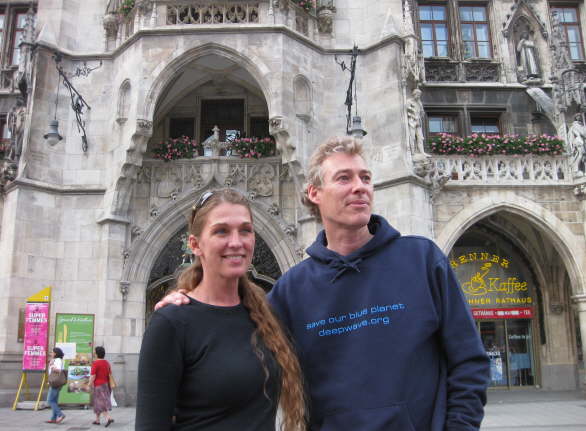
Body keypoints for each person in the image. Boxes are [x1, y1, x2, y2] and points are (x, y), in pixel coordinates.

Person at [158, 138, 490, 430]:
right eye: (344, 178)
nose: (359, 187)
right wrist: (189, 304)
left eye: (366, 178)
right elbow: (230, 334)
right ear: (314, 193)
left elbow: (469, 360)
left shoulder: (422, 259)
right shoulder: (292, 290)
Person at [136, 188, 306, 430]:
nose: (236, 242)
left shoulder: (267, 314)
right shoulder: (171, 322)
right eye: (221, 231)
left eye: (245, 230)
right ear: (195, 244)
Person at [90, 346, 114, 427]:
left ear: (96, 354)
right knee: (97, 402)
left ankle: (108, 418)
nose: (94, 353)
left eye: (94, 352)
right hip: (106, 385)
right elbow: (109, 374)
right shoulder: (107, 363)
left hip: (98, 386)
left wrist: (88, 384)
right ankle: (97, 420)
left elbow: (93, 376)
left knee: (101, 403)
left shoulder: (95, 363)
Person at [46, 347, 66, 424]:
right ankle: (53, 418)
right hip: (57, 382)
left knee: (50, 400)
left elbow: (58, 370)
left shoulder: (57, 360)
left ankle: (60, 414)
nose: (51, 353)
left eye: (52, 352)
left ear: (55, 353)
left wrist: (52, 366)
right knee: (54, 401)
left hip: (55, 383)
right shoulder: (58, 360)